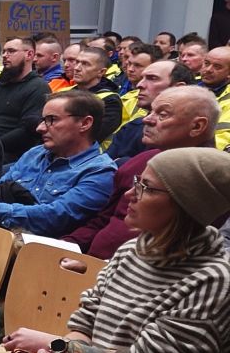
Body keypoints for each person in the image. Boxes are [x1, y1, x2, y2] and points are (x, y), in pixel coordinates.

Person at [4, 148, 230, 353]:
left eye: (146, 188)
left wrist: (59, 346)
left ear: (185, 205)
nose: (129, 195)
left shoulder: (214, 280)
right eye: (137, 182)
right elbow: (84, 322)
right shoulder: (132, 251)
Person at [63, 86, 221, 259]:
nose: (147, 119)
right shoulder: (139, 162)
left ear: (197, 126)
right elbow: (102, 221)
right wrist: (64, 246)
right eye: (150, 111)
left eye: (162, 114)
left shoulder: (214, 181)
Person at [0, 91, 116, 237]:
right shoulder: (36, 153)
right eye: (43, 120)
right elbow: (0, 184)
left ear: (85, 123)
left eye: (52, 120)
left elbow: (55, 217)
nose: (40, 128)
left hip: (35, 250)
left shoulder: (100, 172)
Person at [0, 36, 52, 161]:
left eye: (11, 51)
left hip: (12, 155)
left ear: (29, 54)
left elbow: (27, 132)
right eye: (3, 51)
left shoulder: (39, 87)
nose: (4, 55)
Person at [64, 46, 124, 143]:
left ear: (101, 72)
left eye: (85, 64)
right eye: (77, 62)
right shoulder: (64, 93)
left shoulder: (110, 101)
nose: (77, 68)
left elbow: (93, 135)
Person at [200, 46, 230, 150]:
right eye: (206, 63)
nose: (208, 70)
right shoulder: (190, 84)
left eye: (217, 67)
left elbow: (223, 138)